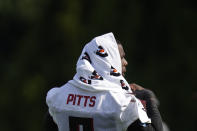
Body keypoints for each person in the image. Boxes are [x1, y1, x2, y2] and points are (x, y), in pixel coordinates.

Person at [45, 33, 163, 131]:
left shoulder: (58, 96)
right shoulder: (122, 103)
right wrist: (148, 98)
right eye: (120, 57)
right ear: (105, 60)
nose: (125, 62)